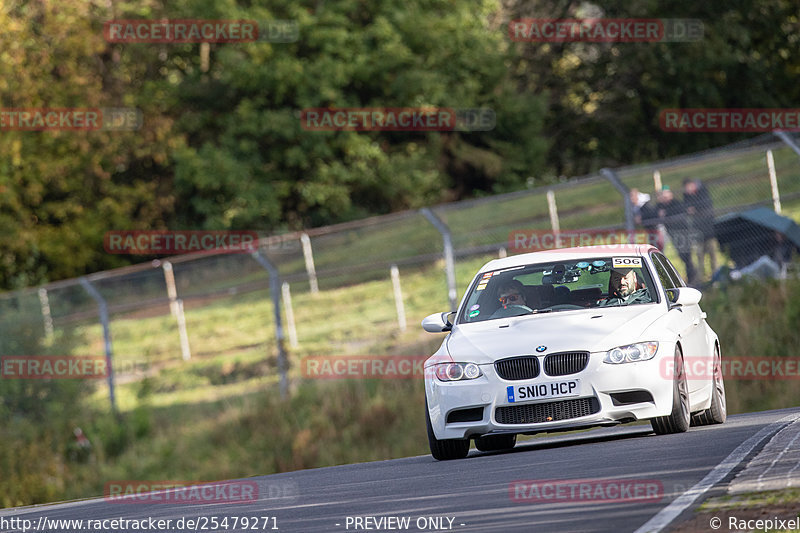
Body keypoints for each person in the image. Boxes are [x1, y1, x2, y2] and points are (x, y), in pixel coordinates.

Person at [657, 186, 697, 285]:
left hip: (682, 233)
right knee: (682, 255)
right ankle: (691, 276)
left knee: (686, 255)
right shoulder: (661, 206)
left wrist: (665, 214)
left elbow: (677, 212)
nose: (665, 197)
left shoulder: (676, 203)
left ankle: (692, 277)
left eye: (667, 195)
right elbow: (654, 213)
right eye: (663, 195)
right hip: (673, 234)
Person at [682, 179, 718, 279]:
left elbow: (705, 205)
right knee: (699, 257)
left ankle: (716, 276)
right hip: (698, 233)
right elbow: (686, 209)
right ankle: (701, 279)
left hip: (709, 231)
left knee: (713, 256)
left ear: (693, 185)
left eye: (688, 186)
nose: (687, 189)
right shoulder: (686, 197)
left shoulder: (703, 192)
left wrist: (695, 209)